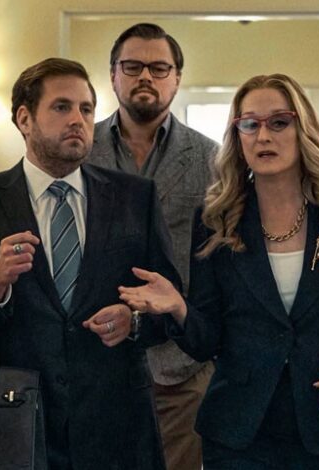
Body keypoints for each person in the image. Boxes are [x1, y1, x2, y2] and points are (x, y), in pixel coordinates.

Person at [118, 73, 319, 469]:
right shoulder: (215, 221)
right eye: (249, 124)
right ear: (238, 136)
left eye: (279, 122)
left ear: (303, 129)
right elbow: (207, 341)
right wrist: (178, 308)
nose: (263, 136)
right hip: (240, 434)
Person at [0, 57, 179, 470]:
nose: (78, 120)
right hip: (14, 426)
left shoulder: (136, 198)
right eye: (62, 107)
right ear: (24, 119)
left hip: (117, 428)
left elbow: (170, 307)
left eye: (86, 109)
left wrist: (133, 321)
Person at [88, 22, 219, 470]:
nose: (146, 76)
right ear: (113, 75)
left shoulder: (212, 159)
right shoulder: (81, 151)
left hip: (180, 370)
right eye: (133, 66)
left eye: (159, 68)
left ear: (176, 79)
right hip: (94, 362)